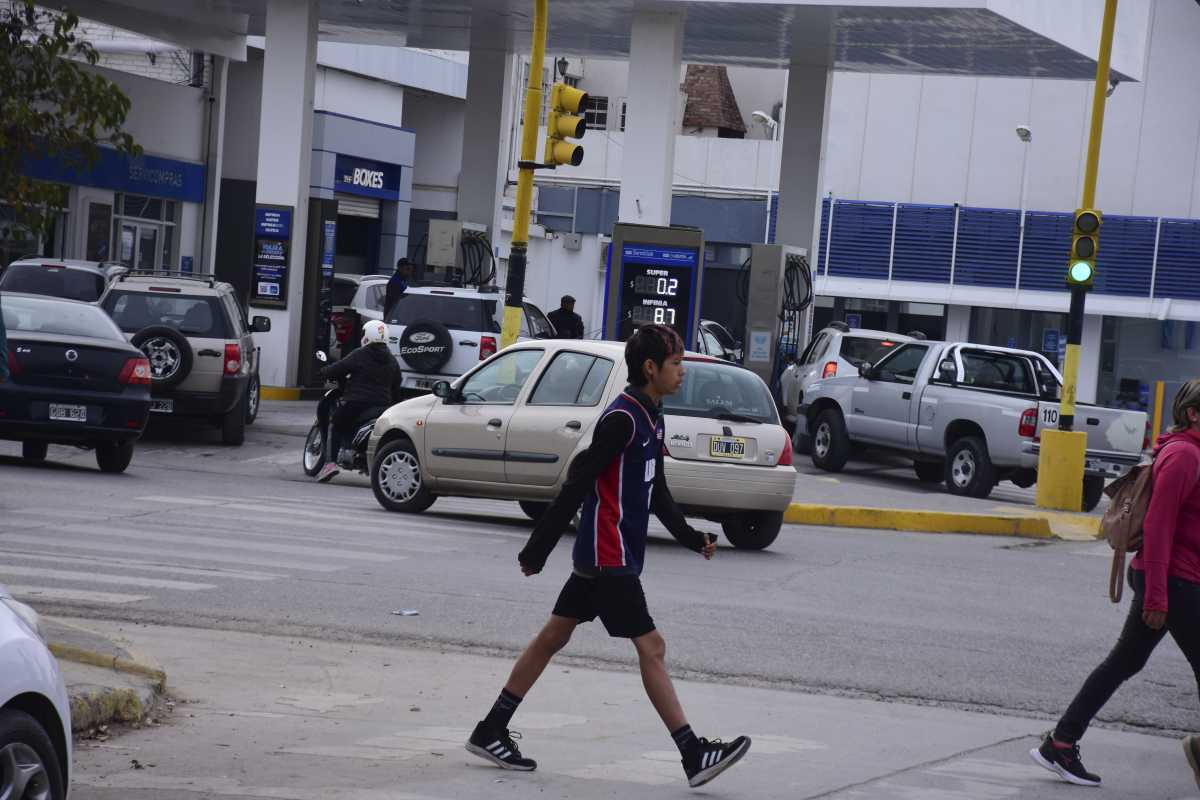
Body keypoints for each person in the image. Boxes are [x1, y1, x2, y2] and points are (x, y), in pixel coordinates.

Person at [464, 324, 751, 789]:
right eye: (676, 364)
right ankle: (692, 753)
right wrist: (538, 547)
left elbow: (657, 490)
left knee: (551, 638)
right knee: (652, 648)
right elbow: (577, 481)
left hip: (608, 554)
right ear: (650, 368)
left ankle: (490, 728)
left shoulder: (652, 417)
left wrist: (691, 537)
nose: (682, 371)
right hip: (607, 555)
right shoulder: (622, 419)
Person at [1030, 379, 1200, 787]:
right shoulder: (1183, 456)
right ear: (1194, 413)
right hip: (1173, 580)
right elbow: (1159, 527)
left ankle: (1061, 743)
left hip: (1175, 577)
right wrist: (1156, 595)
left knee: (1125, 661)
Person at [314, 320, 403, 483]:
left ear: (367, 337)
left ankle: (330, 464)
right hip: (383, 406)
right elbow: (397, 385)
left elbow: (339, 368)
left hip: (357, 402)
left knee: (336, 424)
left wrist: (323, 371)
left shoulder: (361, 354)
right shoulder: (392, 360)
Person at [383, 258, 413, 322]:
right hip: (393, 318)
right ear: (400, 268)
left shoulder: (403, 280)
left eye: (410, 270)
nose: (409, 272)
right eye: (407, 269)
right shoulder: (396, 282)